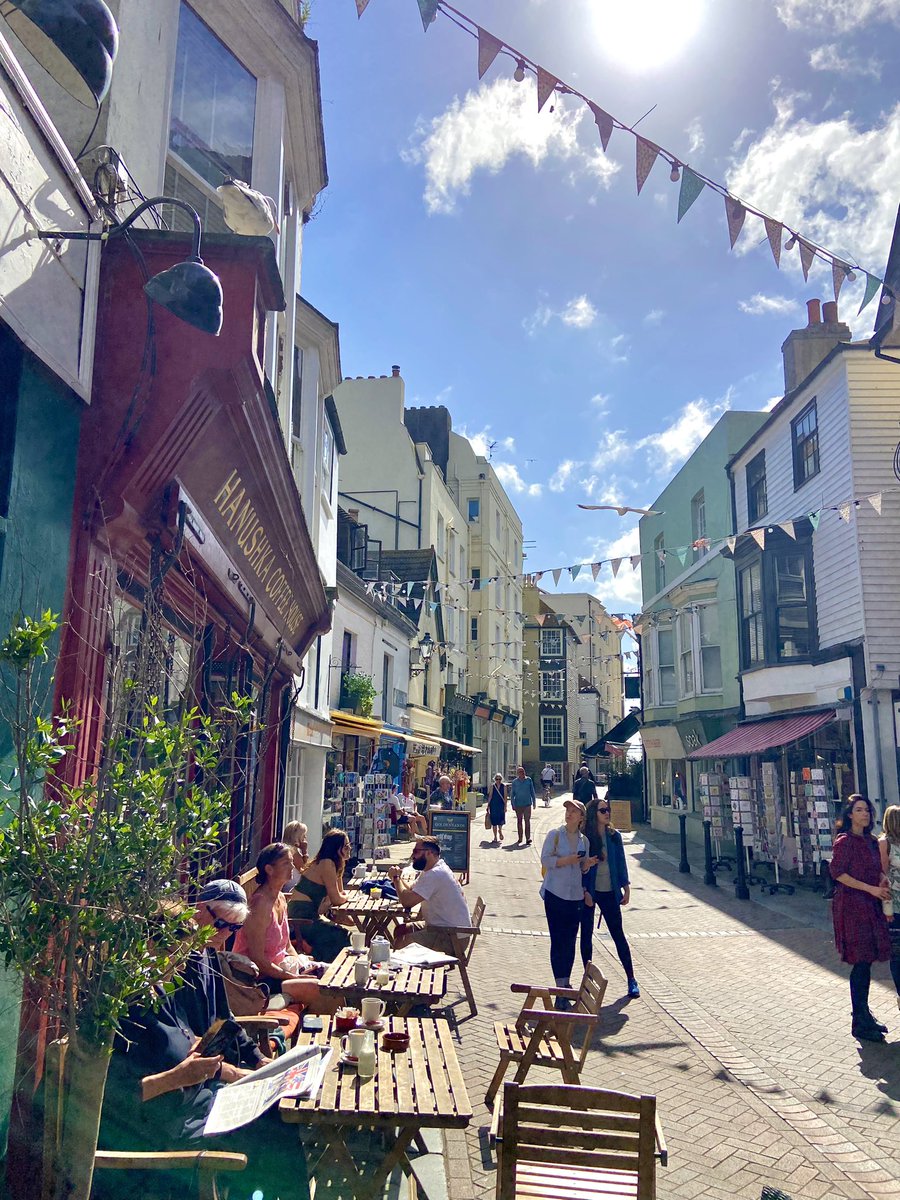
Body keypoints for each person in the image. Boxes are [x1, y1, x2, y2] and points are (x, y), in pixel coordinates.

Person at [96, 879, 308, 1199]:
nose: (183, 964)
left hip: (204, 1100)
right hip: (170, 1128)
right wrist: (187, 1075)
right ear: (149, 949)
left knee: (282, 1114)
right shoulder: (129, 1010)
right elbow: (117, 1095)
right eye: (176, 955)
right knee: (276, 1132)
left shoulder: (164, 992)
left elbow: (214, 1028)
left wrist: (254, 1066)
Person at [233, 843, 330, 1005]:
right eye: (286, 863)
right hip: (257, 979)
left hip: (280, 969)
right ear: (269, 869)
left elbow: (286, 945)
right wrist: (293, 976)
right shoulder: (260, 906)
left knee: (331, 973)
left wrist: (299, 962)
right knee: (322, 987)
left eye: (291, 862)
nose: (292, 866)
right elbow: (258, 959)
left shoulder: (280, 898)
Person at [830, 794, 891, 1042]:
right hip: (853, 906)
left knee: (867, 959)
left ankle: (864, 1013)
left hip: (871, 904)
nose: (865, 814)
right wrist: (870, 889)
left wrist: (881, 881)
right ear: (849, 814)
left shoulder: (871, 841)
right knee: (860, 959)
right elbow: (838, 873)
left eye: (867, 810)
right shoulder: (844, 841)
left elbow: (876, 870)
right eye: (859, 810)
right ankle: (859, 1019)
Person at [540, 799, 597, 1008]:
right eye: (567, 811)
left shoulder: (584, 841)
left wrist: (586, 864)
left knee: (571, 942)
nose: (569, 814)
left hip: (575, 897)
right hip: (555, 893)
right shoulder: (555, 835)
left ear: (581, 817)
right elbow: (546, 860)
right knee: (558, 941)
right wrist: (568, 860)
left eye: (574, 811)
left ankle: (565, 985)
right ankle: (559, 987)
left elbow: (582, 869)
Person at [581, 797, 640, 998]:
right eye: (603, 810)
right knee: (586, 936)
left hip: (609, 892)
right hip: (590, 892)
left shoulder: (613, 836)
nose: (607, 814)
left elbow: (621, 863)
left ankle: (631, 979)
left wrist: (626, 888)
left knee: (618, 935)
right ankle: (587, 981)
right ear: (593, 815)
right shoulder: (586, 838)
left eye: (608, 810)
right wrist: (585, 891)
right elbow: (580, 868)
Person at [388, 836, 471, 948]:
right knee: (400, 931)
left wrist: (396, 878)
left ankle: (395, 964)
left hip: (452, 936)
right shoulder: (431, 869)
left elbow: (407, 902)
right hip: (441, 928)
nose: (413, 856)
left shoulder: (435, 874)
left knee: (403, 942)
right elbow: (411, 890)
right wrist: (396, 877)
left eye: (416, 851)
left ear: (429, 853)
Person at [287, 830, 353, 962]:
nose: (349, 848)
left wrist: (342, 862)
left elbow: (340, 892)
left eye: (349, 845)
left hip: (308, 914)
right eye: (345, 846)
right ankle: (325, 964)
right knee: (341, 935)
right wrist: (348, 898)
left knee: (343, 928)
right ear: (335, 848)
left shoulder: (332, 863)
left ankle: (326, 962)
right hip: (301, 916)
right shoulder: (326, 863)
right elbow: (337, 898)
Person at [880, 804, 900, 1008]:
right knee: (897, 952)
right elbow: (882, 875)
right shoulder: (885, 843)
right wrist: (886, 909)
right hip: (895, 904)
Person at [510, 765, 537, 845]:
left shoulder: (529, 780)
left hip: (527, 804)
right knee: (519, 821)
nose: (522, 773)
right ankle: (520, 837)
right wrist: (512, 804)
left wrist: (534, 801)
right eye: (520, 772)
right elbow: (512, 794)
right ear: (517, 773)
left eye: (523, 771)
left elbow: (532, 791)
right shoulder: (515, 782)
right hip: (518, 804)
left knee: (527, 821)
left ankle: (528, 838)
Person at [282, 819, 309, 890]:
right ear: (296, 837)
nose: (305, 838)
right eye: (303, 835)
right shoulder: (293, 852)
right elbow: (304, 870)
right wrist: (305, 851)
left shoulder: (287, 849)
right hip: (293, 889)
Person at [488, 772, 508, 845]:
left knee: (500, 821)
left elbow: (505, 797)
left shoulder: (504, 786)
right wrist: (488, 805)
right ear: (495, 779)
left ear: (501, 779)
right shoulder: (492, 786)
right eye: (497, 779)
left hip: (501, 805)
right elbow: (490, 796)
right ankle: (495, 837)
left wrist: (505, 807)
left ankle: (500, 830)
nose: (498, 780)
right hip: (493, 805)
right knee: (494, 822)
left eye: (499, 779)